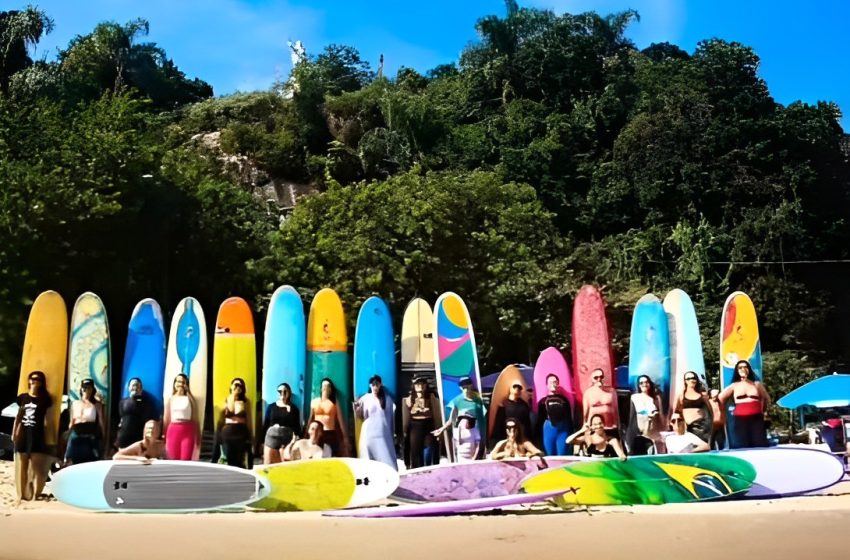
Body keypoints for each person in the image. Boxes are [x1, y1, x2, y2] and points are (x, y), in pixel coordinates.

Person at [13, 371, 53, 504]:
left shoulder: (45, 399)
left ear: (42, 383)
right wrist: (14, 432)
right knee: (21, 464)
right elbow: (18, 417)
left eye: (38, 379)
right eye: (32, 379)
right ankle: (21, 494)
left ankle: (34, 494)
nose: (34, 381)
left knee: (36, 467)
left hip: (37, 434)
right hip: (23, 434)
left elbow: (48, 420)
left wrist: (50, 438)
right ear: (29, 380)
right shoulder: (22, 398)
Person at [718, 360, 770, 448]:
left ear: (749, 369)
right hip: (740, 418)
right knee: (741, 443)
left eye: (745, 367)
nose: (743, 369)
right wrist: (722, 412)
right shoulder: (734, 385)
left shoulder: (756, 384)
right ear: (737, 370)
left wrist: (764, 412)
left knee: (759, 443)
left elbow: (766, 398)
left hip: (756, 417)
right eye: (740, 367)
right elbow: (720, 398)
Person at [432, 377, 486, 460]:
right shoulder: (457, 401)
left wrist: (484, 435)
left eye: (467, 386)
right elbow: (452, 419)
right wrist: (441, 429)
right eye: (464, 387)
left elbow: (482, 419)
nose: (466, 389)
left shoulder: (478, 400)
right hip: (462, 436)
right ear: (460, 388)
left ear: (471, 386)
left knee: (477, 459)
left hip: (475, 435)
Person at [354, 375, 397, 470]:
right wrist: (356, 408)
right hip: (368, 433)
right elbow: (360, 417)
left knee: (386, 457)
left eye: (377, 384)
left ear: (380, 385)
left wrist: (392, 433)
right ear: (370, 385)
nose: (375, 387)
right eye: (373, 384)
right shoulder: (364, 398)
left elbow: (391, 418)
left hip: (383, 433)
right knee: (368, 457)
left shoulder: (387, 399)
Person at [401, 376, 441, 468]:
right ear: (414, 386)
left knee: (429, 450)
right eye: (418, 384)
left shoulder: (431, 397)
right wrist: (404, 430)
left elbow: (436, 414)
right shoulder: (409, 399)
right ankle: (417, 470)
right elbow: (406, 416)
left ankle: (429, 468)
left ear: (426, 386)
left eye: (423, 384)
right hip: (415, 426)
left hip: (428, 425)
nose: (421, 387)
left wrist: (439, 429)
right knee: (415, 452)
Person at [64, 378, 105, 466]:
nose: (86, 390)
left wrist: (103, 437)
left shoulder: (97, 405)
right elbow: (72, 421)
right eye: (84, 388)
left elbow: (101, 422)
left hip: (90, 432)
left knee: (90, 459)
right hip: (76, 432)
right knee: (71, 459)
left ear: (92, 390)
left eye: (89, 388)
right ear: (81, 389)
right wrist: (68, 434)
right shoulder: (75, 403)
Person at [216, 377, 253, 468]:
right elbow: (231, 410)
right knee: (229, 457)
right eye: (235, 385)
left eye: (240, 385)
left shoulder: (245, 401)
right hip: (228, 432)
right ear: (231, 386)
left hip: (241, 432)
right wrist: (233, 395)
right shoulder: (227, 399)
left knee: (239, 459)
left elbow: (249, 419)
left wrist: (251, 435)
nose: (238, 387)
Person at [262, 383, 302, 465]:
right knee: (269, 465)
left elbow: (296, 426)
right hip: (272, 437)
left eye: (285, 391)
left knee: (285, 465)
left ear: (289, 393)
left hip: (287, 438)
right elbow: (266, 423)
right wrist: (261, 442)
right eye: (280, 391)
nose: (282, 393)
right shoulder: (271, 407)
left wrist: (298, 439)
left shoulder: (294, 409)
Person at [308, 378, 349, 457]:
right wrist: (306, 433)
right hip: (317, 433)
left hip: (329, 433)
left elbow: (340, 420)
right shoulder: (314, 402)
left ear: (330, 389)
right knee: (316, 455)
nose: (325, 388)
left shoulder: (334, 402)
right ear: (320, 388)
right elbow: (310, 419)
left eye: (327, 386)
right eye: (323, 386)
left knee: (329, 456)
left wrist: (345, 437)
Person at [625, 375, 665, 455]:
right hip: (639, 434)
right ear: (638, 385)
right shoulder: (634, 397)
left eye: (646, 382)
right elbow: (630, 417)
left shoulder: (656, 398)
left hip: (653, 434)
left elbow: (661, 417)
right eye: (641, 383)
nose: (644, 384)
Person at [163, 373, 199, 461]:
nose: (180, 384)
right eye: (178, 381)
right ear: (174, 383)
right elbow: (166, 418)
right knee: (172, 458)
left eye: (183, 382)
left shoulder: (190, 399)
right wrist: (163, 435)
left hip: (188, 430)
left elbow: (195, 418)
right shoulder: (171, 399)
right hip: (173, 430)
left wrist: (198, 435)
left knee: (185, 458)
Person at [536, 374, 573, 456]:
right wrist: (538, 438)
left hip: (562, 431)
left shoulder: (564, 400)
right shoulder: (542, 402)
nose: (553, 384)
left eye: (555, 382)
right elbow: (540, 420)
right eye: (550, 382)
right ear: (547, 385)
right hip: (548, 431)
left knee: (562, 454)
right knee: (549, 454)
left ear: (558, 384)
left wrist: (571, 432)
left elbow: (569, 418)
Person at [115, 378, 157, 450]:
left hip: (138, 437)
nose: (135, 388)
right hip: (123, 437)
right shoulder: (122, 402)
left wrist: (137, 399)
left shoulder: (146, 403)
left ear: (141, 388)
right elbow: (120, 419)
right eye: (133, 385)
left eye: (137, 386)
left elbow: (147, 419)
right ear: (128, 388)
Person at [675, 372, 713, 446]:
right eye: (688, 379)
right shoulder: (681, 395)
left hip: (701, 427)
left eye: (693, 378)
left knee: (701, 447)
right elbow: (677, 411)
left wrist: (710, 427)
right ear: (685, 381)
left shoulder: (703, 395)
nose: (691, 380)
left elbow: (710, 411)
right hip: (687, 427)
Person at [491, 382, 533, 446]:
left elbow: (527, 423)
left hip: (521, 437)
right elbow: (499, 423)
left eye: (519, 388)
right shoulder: (504, 404)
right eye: (515, 387)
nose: (517, 389)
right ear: (510, 389)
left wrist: (529, 437)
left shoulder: (524, 405)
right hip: (507, 436)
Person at [582, 368, 620, 433]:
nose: (599, 379)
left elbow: (616, 409)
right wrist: (584, 426)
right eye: (596, 377)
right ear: (592, 379)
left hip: (610, 426)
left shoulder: (611, 391)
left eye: (601, 377)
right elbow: (585, 413)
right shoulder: (588, 393)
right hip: (594, 427)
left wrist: (618, 425)